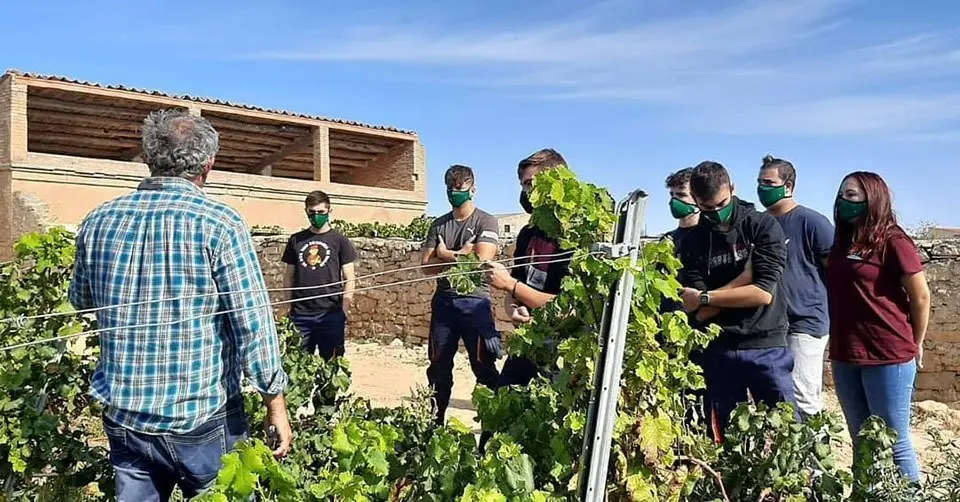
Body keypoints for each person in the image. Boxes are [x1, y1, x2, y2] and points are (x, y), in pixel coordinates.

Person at [68, 109, 292, 501]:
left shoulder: (98, 220)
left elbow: (82, 300)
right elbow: (251, 323)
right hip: (200, 419)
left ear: (149, 158)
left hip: (125, 417)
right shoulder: (219, 222)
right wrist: (275, 403)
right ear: (208, 164)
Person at [677, 161, 795, 441]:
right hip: (720, 348)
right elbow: (699, 311)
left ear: (732, 189)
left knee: (786, 437)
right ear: (696, 201)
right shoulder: (693, 242)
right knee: (723, 439)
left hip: (766, 346)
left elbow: (763, 293)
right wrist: (744, 279)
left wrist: (708, 296)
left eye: (722, 204)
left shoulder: (761, 226)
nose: (716, 213)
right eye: (707, 208)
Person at [826, 171, 930, 483]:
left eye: (853, 195)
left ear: (873, 199)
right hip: (846, 355)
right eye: (843, 194)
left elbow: (921, 296)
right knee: (861, 442)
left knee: (894, 443)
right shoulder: (842, 243)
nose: (844, 200)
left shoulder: (893, 240)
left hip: (888, 355)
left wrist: (917, 342)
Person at [483, 148, 574, 388]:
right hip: (529, 339)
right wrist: (513, 307)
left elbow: (567, 309)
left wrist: (510, 285)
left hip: (564, 348)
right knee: (503, 396)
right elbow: (515, 290)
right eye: (523, 186)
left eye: (530, 184)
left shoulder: (574, 238)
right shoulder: (527, 234)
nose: (526, 192)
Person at [421, 165, 502, 424]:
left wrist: (445, 255)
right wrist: (457, 255)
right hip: (444, 304)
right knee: (438, 368)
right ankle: (434, 425)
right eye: (451, 190)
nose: (455, 195)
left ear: (472, 190)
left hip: (475, 304)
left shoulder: (485, 221)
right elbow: (425, 265)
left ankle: (492, 428)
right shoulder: (438, 224)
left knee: (484, 366)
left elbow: (481, 260)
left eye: (460, 190)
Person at [757, 155, 834, 419]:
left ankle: (815, 460)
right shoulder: (759, 224)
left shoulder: (812, 223)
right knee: (776, 398)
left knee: (803, 397)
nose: (762, 188)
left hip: (805, 323)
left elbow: (834, 272)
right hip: (769, 326)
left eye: (769, 182)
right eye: (759, 182)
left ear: (788, 186)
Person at [282, 190, 358, 360]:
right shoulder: (296, 240)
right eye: (312, 212)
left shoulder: (340, 240)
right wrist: (289, 306)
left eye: (321, 212)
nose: (316, 216)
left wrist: (343, 311)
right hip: (300, 316)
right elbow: (288, 276)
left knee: (331, 367)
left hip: (330, 314)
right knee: (297, 367)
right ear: (306, 211)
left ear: (329, 211)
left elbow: (349, 278)